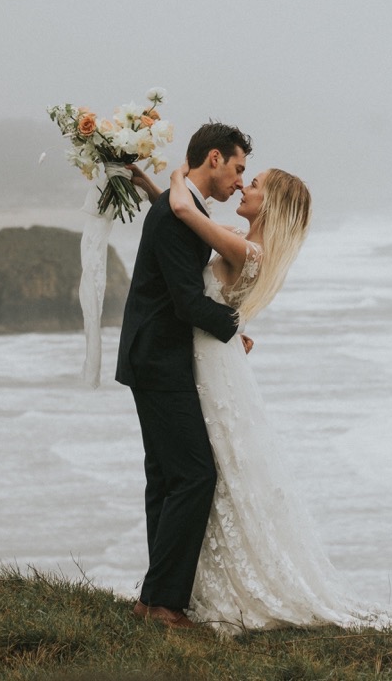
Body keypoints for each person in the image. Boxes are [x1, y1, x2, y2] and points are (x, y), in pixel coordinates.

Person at [130, 155, 392, 635]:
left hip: (206, 367)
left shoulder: (246, 250)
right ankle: (166, 593)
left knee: (199, 473)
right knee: (198, 472)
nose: (243, 188)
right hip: (205, 361)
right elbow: (182, 232)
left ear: (269, 203)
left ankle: (169, 596)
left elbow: (184, 213)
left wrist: (177, 176)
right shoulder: (245, 246)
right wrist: (149, 186)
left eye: (252, 184)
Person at [115, 121, 250, 630]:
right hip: (159, 358)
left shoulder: (184, 208)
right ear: (213, 159)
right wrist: (235, 329)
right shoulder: (178, 216)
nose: (240, 181)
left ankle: (155, 600)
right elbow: (186, 301)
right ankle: (165, 604)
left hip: (153, 355)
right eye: (238, 168)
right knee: (195, 474)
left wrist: (158, 186)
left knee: (168, 477)